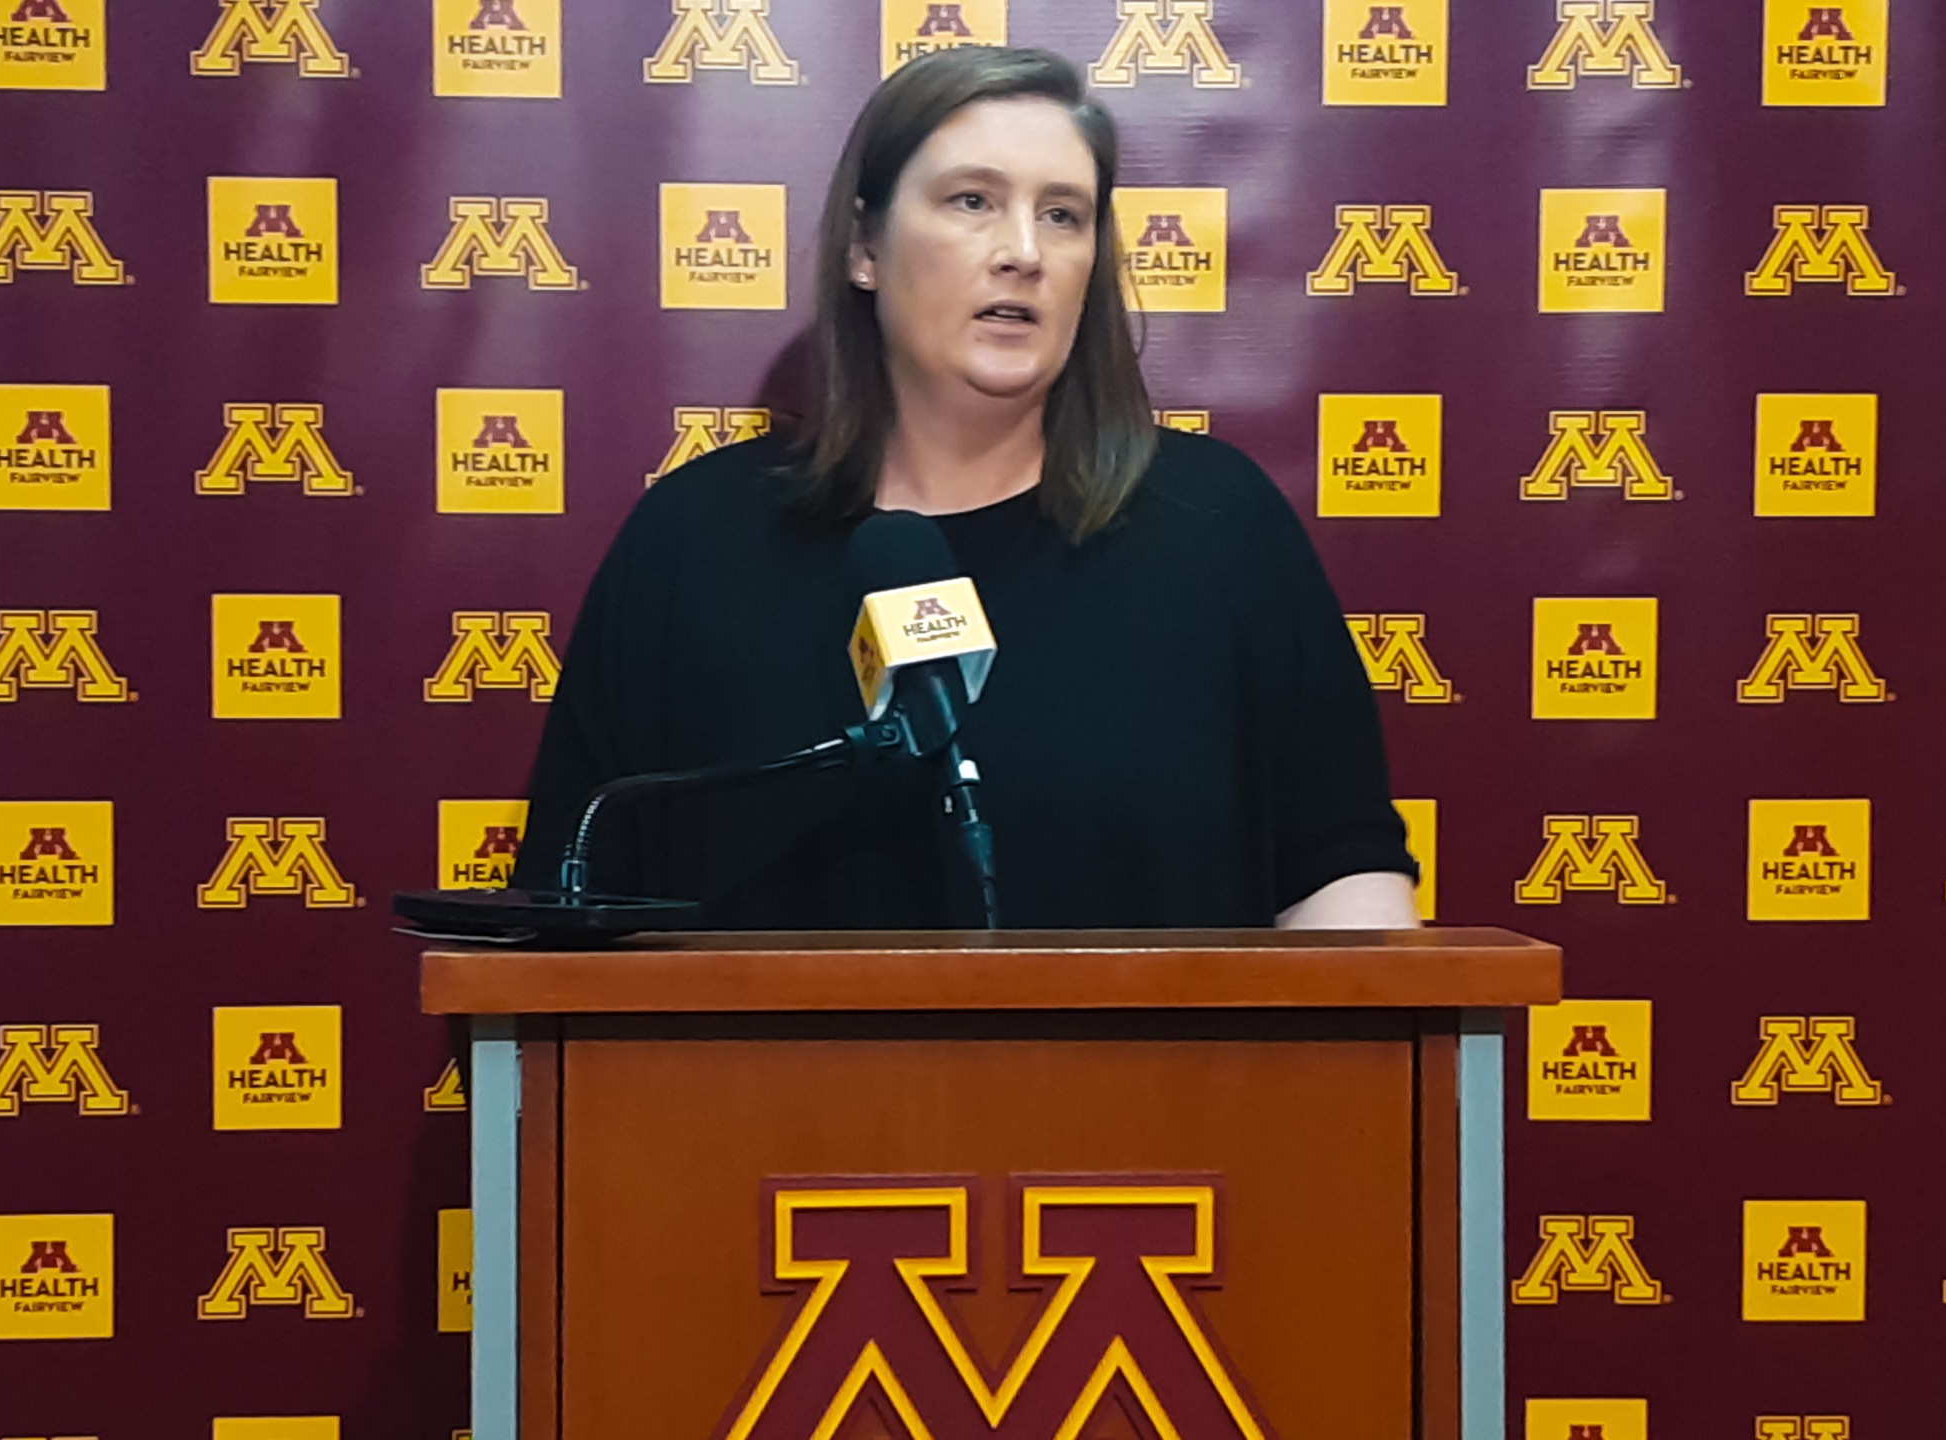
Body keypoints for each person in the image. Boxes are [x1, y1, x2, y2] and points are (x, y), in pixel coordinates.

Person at [514, 46, 1418, 930]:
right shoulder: (693, 544)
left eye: (1063, 215)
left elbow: (1342, 875)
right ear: (864, 246)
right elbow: (573, 895)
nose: (1023, 251)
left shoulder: (1218, 527)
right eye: (973, 201)